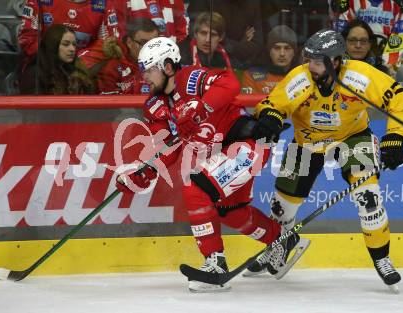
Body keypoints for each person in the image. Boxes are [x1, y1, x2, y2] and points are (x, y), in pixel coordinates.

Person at [114, 37, 298, 292]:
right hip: (221, 157)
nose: (144, 76)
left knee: (195, 188)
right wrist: (145, 171)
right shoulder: (155, 106)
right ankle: (283, 241)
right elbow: (166, 148)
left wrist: (201, 108)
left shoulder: (191, 78)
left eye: (149, 69)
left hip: (245, 144)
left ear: (168, 67)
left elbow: (230, 84)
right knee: (231, 211)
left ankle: (215, 263)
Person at [246, 29, 403, 290]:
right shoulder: (300, 77)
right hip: (307, 142)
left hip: (352, 137)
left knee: (368, 196)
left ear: (335, 61)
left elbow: (401, 101)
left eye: (317, 61)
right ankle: (278, 246)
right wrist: (270, 116)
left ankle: (382, 258)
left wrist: (395, 137)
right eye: (309, 59)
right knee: (282, 206)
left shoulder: (360, 75)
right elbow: (273, 103)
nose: (310, 66)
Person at [18, 0, 120, 68]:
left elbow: (109, 46)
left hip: (85, 73)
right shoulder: (39, 1)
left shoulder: (103, 4)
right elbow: (28, 39)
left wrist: (78, 62)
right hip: (46, 71)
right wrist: (54, 58)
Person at [78, 18, 159, 94]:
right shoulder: (112, 65)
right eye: (143, 43)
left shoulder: (163, 63)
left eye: (154, 43)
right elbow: (111, 105)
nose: (150, 49)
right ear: (129, 42)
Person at [329, 0, 403, 72]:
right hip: (351, 60)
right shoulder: (350, 2)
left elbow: (398, 38)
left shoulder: (397, 4)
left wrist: (386, 66)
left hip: (384, 61)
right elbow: (342, 35)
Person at [19, 24, 95, 94]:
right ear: (53, 45)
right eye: (66, 44)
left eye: (74, 45)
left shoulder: (74, 71)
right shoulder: (34, 74)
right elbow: (34, 106)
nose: (72, 49)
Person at [241, 25, 300, 94]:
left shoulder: (303, 75)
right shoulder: (252, 75)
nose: (282, 53)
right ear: (269, 51)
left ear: (294, 52)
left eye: (287, 48)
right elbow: (249, 104)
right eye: (277, 48)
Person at [115, 0, 189, 43]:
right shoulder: (121, 2)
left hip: (170, 55)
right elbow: (122, 37)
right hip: (138, 60)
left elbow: (182, 31)